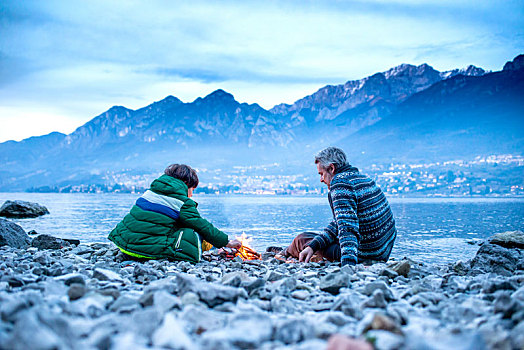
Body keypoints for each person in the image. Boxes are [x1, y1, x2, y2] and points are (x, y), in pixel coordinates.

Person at [285, 147, 396, 266]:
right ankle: (287, 250)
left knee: (301, 239)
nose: (321, 180)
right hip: (383, 251)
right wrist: (314, 245)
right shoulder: (362, 179)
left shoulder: (340, 184)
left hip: (363, 253)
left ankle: (284, 253)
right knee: (313, 242)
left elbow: (347, 228)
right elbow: (338, 223)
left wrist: (348, 265)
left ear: (332, 168)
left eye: (321, 174)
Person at [108, 164, 240, 263]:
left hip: (124, 245)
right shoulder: (181, 202)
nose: (192, 194)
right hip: (144, 251)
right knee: (192, 232)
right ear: (186, 183)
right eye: (192, 189)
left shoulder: (150, 192)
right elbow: (202, 225)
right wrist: (227, 242)